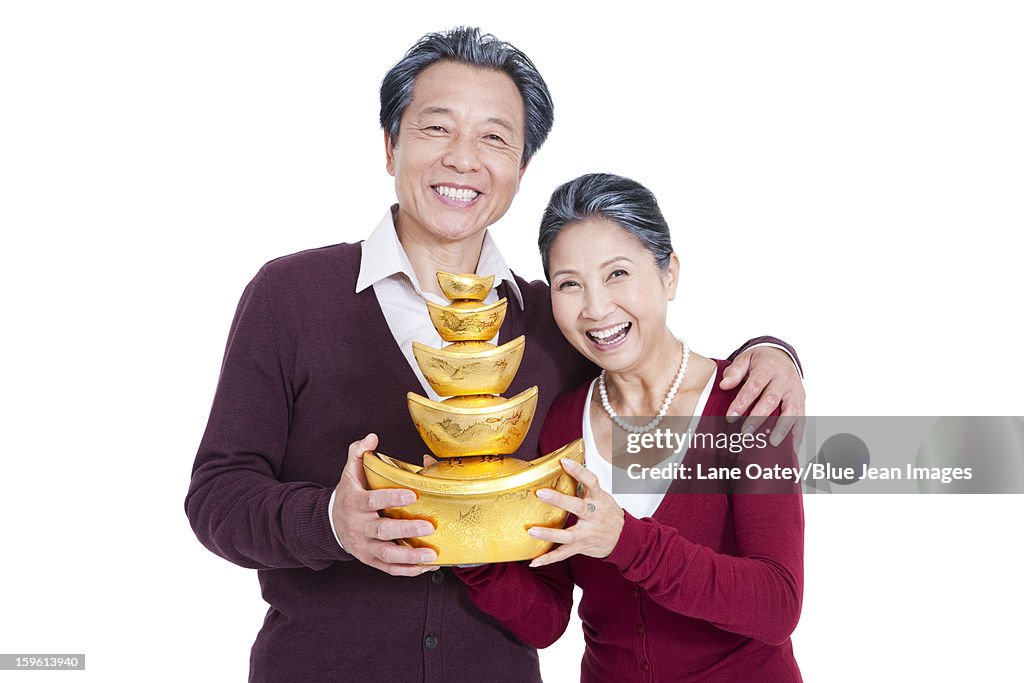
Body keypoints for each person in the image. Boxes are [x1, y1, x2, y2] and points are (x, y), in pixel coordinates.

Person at [185, 28, 805, 682]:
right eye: (436, 128)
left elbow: (654, 361)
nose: (463, 159)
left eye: (494, 137)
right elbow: (216, 497)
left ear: (520, 168)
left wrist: (772, 352)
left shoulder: (554, 321)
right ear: (390, 144)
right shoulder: (291, 296)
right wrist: (330, 522)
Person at [457, 173, 804, 681]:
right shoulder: (560, 424)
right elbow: (549, 619)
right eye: (569, 283)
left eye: (617, 273)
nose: (595, 308)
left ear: (669, 275)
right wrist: (467, 547)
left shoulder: (746, 402)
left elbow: (777, 605)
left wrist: (625, 539)